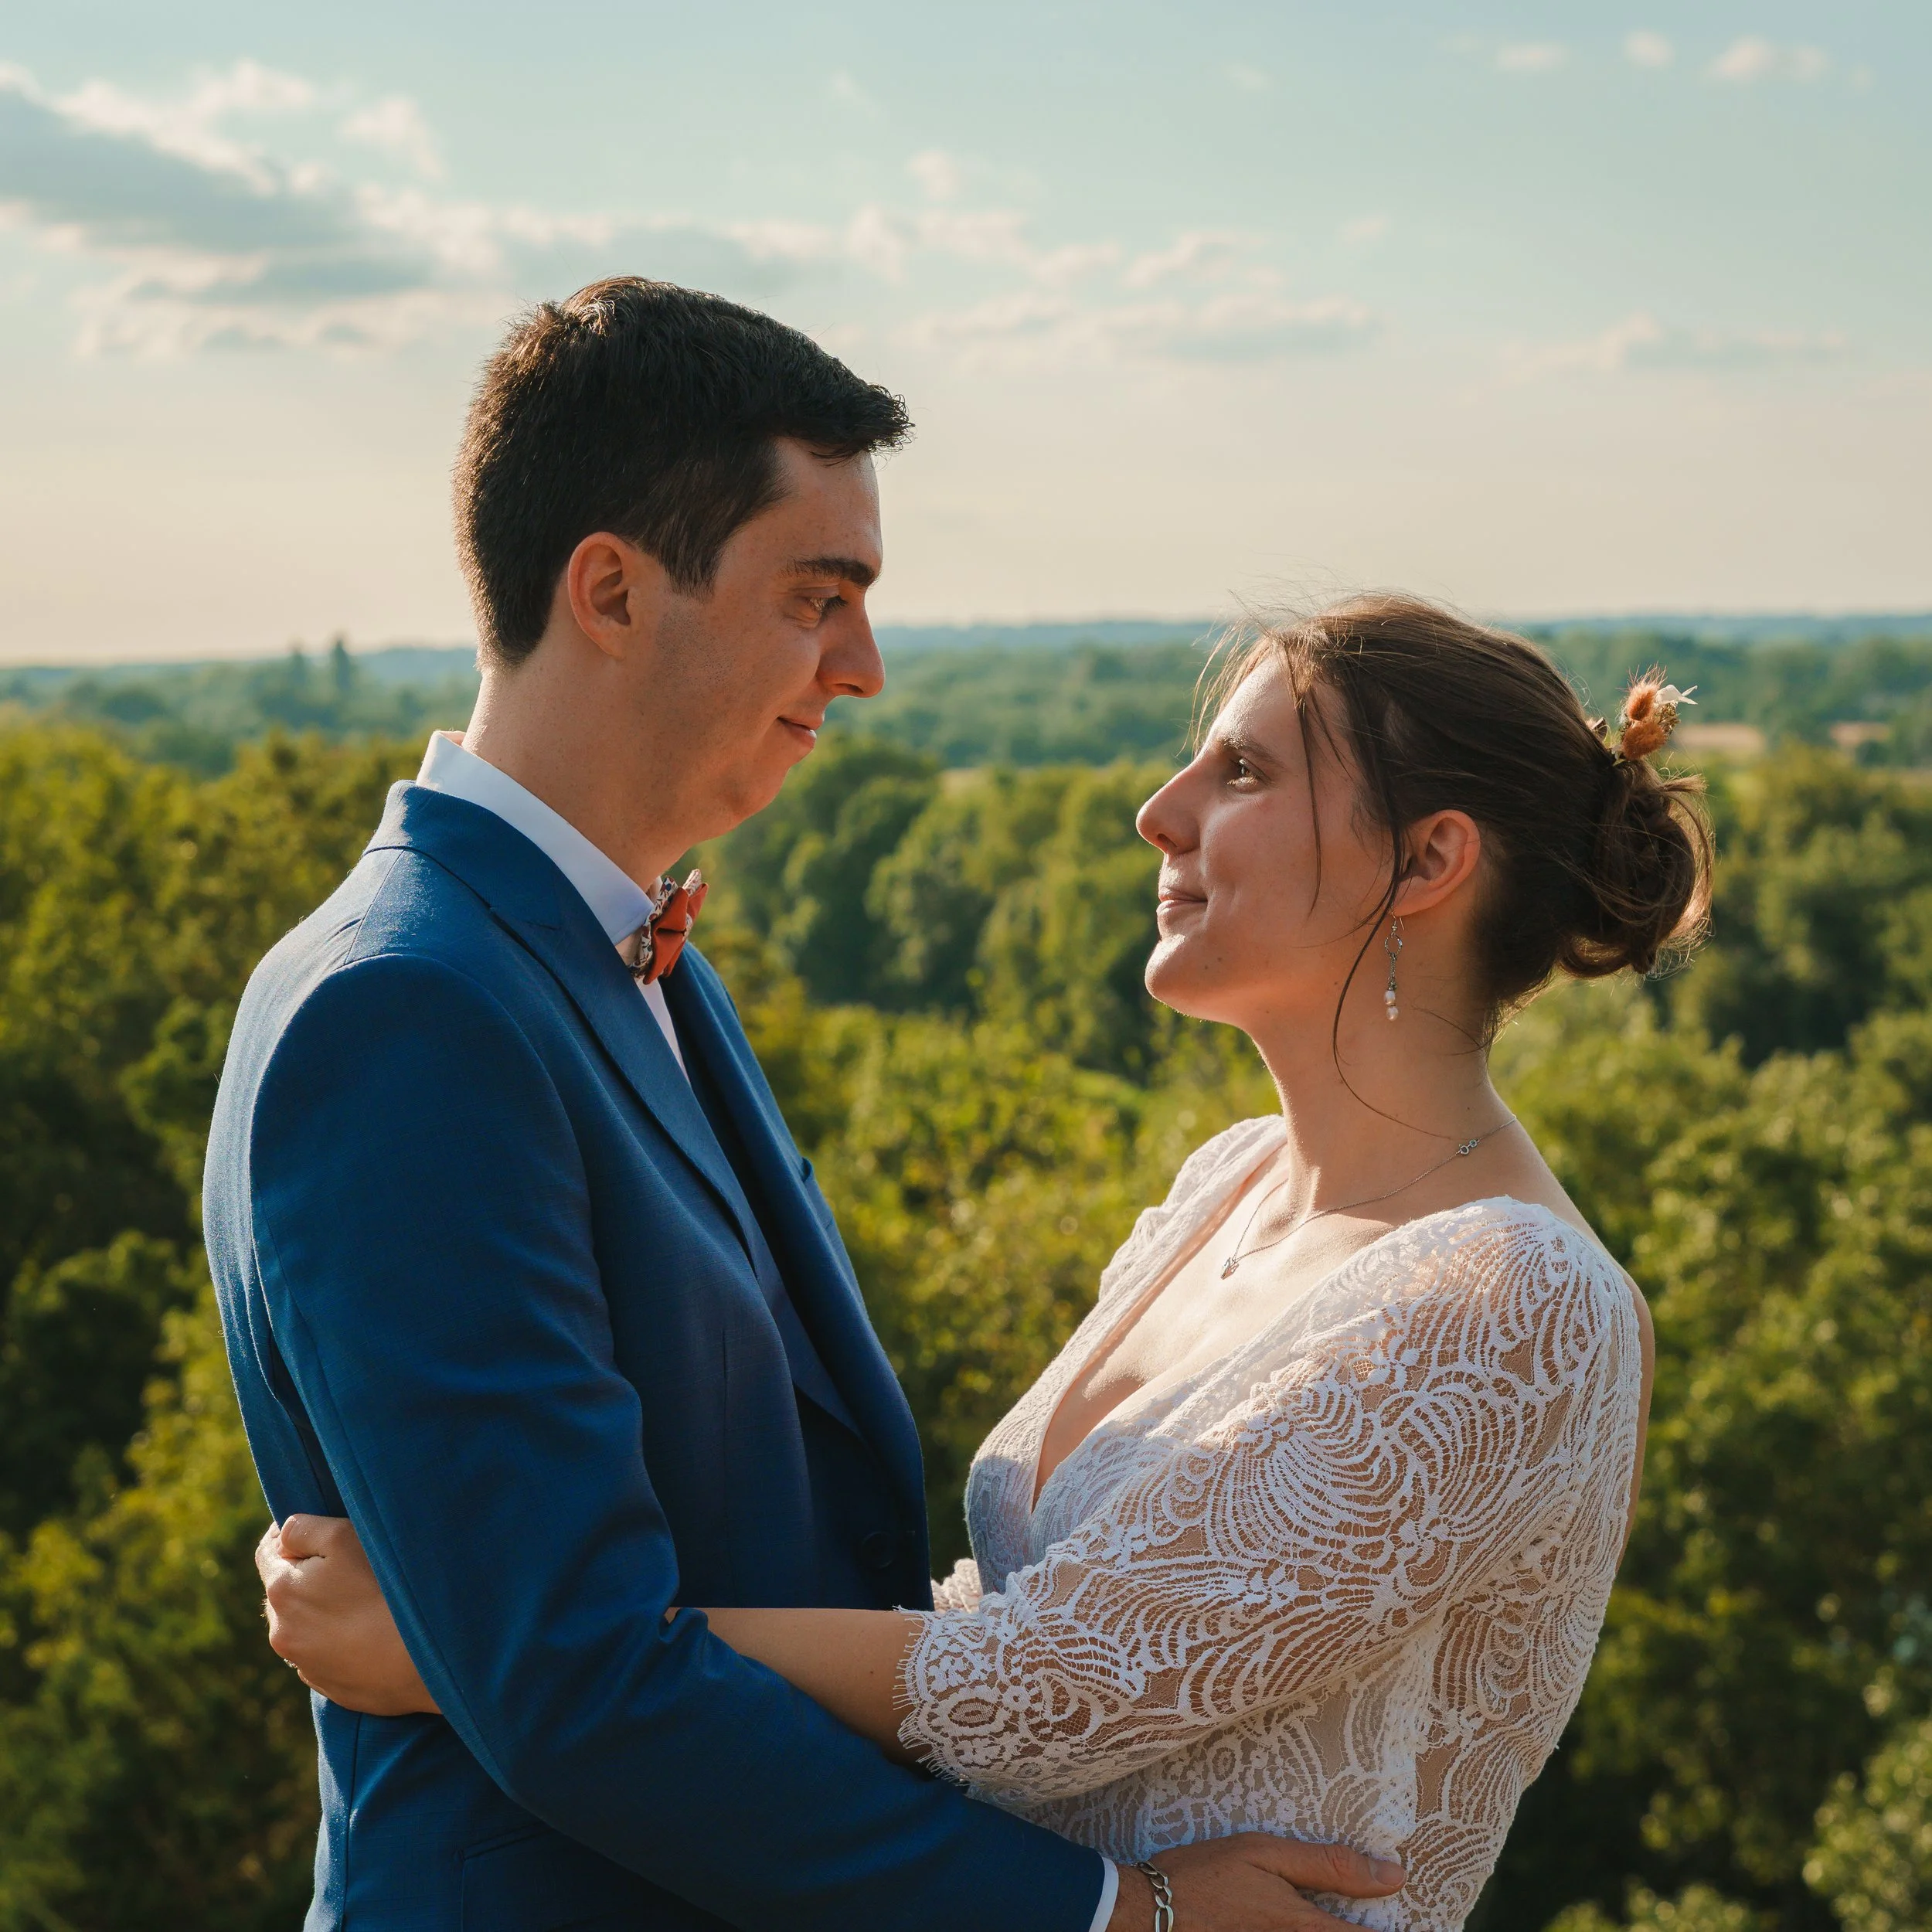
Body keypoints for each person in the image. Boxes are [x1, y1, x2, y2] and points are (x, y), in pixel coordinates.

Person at [205, 277, 1403, 1932]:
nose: (865, 666)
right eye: (815, 596)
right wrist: (1119, 1915)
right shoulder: (406, 1010)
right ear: (612, 591)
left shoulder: (635, 954)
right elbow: (578, 1682)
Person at [260, 595, 1713, 1931]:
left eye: (1246, 775)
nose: (1160, 814)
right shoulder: (1229, 1185)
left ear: (1431, 859)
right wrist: (526, 1657)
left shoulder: (1517, 1304)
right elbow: (1012, 1625)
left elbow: (1039, 1689)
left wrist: (492, 1654)